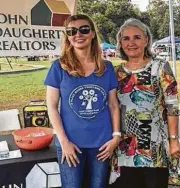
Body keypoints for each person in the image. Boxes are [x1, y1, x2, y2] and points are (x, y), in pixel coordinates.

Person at [44, 14, 120, 188]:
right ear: (68, 37)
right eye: (72, 31)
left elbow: (113, 105)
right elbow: (52, 107)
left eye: (84, 29)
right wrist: (63, 142)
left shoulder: (106, 67)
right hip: (70, 142)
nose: (78, 34)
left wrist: (116, 137)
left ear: (93, 33)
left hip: (102, 144)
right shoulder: (58, 67)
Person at [110, 18, 180, 188]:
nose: (131, 43)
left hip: (155, 148)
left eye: (137, 37)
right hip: (125, 148)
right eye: (126, 38)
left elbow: (173, 105)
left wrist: (173, 139)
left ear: (146, 40)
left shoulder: (160, 67)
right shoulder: (115, 72)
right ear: (120, 42)